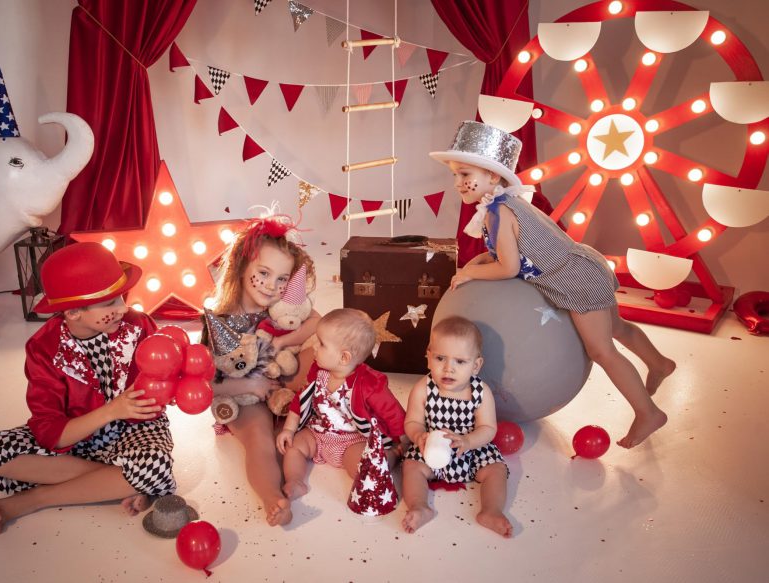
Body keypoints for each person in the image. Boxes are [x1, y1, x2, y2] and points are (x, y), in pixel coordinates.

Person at [430, 121, 675, 448]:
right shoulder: (503, 204)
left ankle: (648, 412)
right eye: (454, 175)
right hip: (584, 267)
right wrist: (474, 264)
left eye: (464, 174)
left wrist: (471, 275)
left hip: (575, 282)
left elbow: (508, 267)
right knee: (618, 327)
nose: (458, 182)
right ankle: (660, 363)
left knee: (601, 350)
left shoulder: (498, 213)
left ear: (492, 176)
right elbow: (505, 252)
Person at [0, 242, 175, 534]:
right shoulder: (44, 348)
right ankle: (123, 483)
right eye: (109, 304)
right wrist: (110, 411)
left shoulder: (139, 326)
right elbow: (48, 432)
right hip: (77, 436)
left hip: (135, 430)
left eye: (121, 298)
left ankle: (34, 499)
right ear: (74, 312)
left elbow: (160, 386)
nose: (123, 308)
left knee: (155, 464)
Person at [205, 211, 320, 526]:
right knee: (260, 439)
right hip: (239, 392)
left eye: (282, 279)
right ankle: (273, 498)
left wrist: (282, 344)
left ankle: (339, 415)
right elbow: (203, 386)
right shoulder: (220, 318)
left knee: (323, 349)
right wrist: (249, 388)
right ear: (243, 268)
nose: (272, 286)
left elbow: (317, 321)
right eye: (264, 273)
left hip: (276, 379)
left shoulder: (279, 307)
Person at [276, 308, 406, 506]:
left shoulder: (368, 383)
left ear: (344, 357)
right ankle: (296, 481)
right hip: (318, 434)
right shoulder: (318, 371)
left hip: (353, 440)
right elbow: (300, 400)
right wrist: (289, 429)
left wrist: (404, 441)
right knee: (294, 447)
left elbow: (392, 412)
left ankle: (391, 457)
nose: (314, 348)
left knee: (366, 468)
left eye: (321, 344)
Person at [401, 316, 510, 536]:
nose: (448, 368)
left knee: (496, 470)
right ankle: (420, 506)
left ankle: (491, 510)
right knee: (411, 466)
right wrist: (419, 436)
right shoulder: (423, 388)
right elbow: (412, 421)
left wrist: (469, 441)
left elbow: (488, 428)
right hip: (431, 447)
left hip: (470, 449)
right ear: (428, 357)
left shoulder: (481, 392)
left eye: (460, 362)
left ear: (476, 365)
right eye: (440, 358)